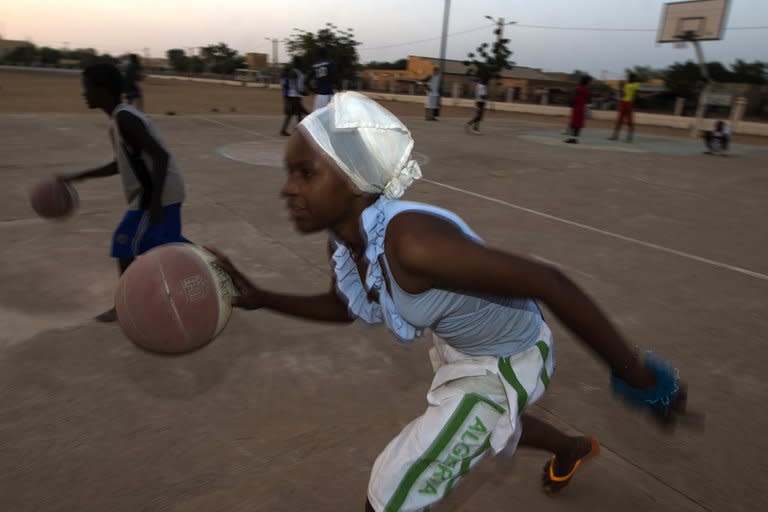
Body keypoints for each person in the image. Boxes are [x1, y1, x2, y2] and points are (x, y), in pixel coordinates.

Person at [208, 92, 689, 512]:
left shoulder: (411, 242)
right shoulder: (343, 238)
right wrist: (261, 297)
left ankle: (564, 439)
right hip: (461, 346)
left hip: (509, 358)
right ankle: (570, 447)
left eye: (304, 172)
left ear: (354, 181)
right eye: (289, 171)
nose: (286, 188)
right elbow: (345, 306)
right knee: (480, 426)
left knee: (392, 490)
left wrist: (641, 379)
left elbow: (550, 282)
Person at [59, 63, 188, 322]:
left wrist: (153, 204)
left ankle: (127, 305)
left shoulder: (124, 118)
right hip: (164, 191)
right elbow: (122, 163)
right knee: (168, 245)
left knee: (124, 241)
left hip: (156, 193)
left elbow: (160, 157)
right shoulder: (120, 120)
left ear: (103, 90)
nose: (84, 94)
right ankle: (218, 270)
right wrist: (80, 176)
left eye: (87, 89)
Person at [280, 56, 309, 136]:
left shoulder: (298, 72)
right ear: (298, 63)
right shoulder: (294, 72)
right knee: (302, 112)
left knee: (296, 113)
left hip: (295, 95)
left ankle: (285, 130)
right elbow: (293, 84)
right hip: (293, 96)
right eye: (300, 62)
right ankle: (301, 131)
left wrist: (302, 91)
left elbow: (297, 83)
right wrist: (301, 91)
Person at [608, 73, 641, 142]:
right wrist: (620, 89)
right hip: (624, 103)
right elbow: (624, 94)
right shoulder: (627, 85)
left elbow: (635, 94)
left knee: (629, 121)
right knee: (620, 120)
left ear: (632, 78)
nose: (627, 79)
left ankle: (628, 138)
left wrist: (633, 102)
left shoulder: (635, 85)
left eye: (629, 78)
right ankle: (615, 136)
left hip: (628, 103)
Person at [307, 47, 337, 111]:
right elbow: (334, 77)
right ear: (326, 54)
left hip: (319, 96)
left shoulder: (314, 65)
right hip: (328, 94)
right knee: (332, 117)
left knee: (318, 117)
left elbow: (306, 81)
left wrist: (313, 90)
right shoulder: (330, 63)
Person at [565, 75, 592, 144]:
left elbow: (573, 97)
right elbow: (588, 99)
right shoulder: (587, 90)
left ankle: (571, 138)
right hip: (582, 108)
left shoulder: (577, 88)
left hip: (576, 107)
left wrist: (570, 103)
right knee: (579, 124)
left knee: (573, 123)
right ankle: (575, 139)